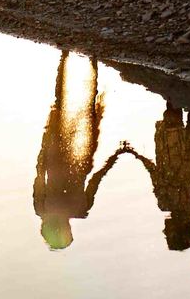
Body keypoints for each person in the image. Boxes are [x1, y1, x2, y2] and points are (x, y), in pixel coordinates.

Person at [32, 53, 126, 250]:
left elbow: (96, 178)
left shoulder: (79, 210)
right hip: (60, 156)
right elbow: (39, 173)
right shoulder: (43, 209)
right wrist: (45, 142)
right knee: (61, 105)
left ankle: (90, 61)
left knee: (86, 109)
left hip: (78, 156)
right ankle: (68, 57)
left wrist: (115, 156)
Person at [126, 102, 190, 251]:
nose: (164, 231)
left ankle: (185, 84)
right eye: (168, 234)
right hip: (182, 145)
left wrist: (137, 155)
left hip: (170, 142)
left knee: (176, 105)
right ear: (179, 231)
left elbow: (155, 173)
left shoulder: (165, 203)